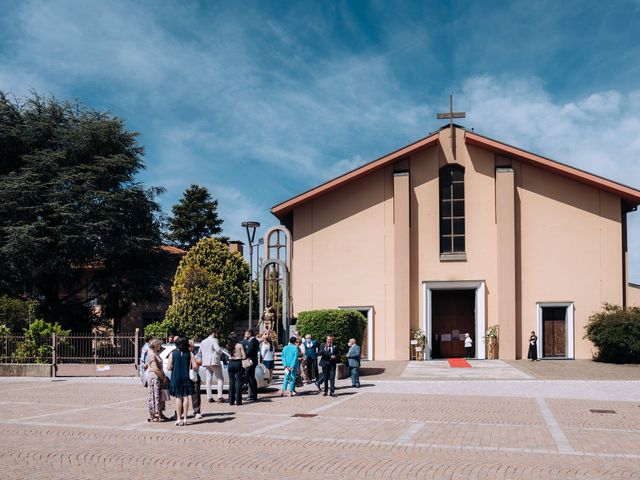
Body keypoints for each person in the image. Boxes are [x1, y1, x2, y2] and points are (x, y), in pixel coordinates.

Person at [167, 337, 197, 426]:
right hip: (186, 377)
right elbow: (195, 366)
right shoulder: (190, 353)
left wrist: (175, 367)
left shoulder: (172, 354)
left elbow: (168, 367)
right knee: (186, 397)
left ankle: (178, 419)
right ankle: (185, 419)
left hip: (176, 377)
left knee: (178, 398)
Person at [145, 338, 168, 422]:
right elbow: (155, 368)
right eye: (159, 344)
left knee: (159, 396)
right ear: (155, 345)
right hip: (154, 378)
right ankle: (154, 414)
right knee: (155, 396)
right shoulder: (151, 354)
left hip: (158, 377)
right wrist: (163, 377)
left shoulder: (155, 353)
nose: (160, 346)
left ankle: (160, 412)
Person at [200, 328, 225, 403]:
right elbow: (217, 349)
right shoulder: (214, 340)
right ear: (213, 333)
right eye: (216, 333)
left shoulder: (203, 341)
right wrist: (221, 353)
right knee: (220, 379)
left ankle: (209, 397)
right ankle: (220, 397)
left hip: (206, 362)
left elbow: (200, 351)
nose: (217, 334)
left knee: (208, 378)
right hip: (214, 361)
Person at [227, 333, 246, 406]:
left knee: (231, 382)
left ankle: (231, 401)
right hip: (238, 363)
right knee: (238, 382)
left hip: (230, 363)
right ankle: (238, 401)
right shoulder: (239, 345)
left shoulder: (228, 345)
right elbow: (244, 356)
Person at [243, 329, 260, 401]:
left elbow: (249, 351)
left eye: (246, 334)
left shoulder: (252, 341)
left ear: (249, 334)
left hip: (251, 361)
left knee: (251, 378)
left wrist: (243, 356)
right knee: (251, 377)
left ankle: (253, 395)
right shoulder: (255, 340)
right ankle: (253, 394)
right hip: (253, 360)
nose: (245, 335)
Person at [189, 339, 202, 419]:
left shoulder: (193, 354)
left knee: (195, 393)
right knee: (183, 395)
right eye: (192, 346)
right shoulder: (189, 354)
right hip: (191, 375)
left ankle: (197, 411)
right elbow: (195, 366)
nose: (193, 347)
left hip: (193, 375)